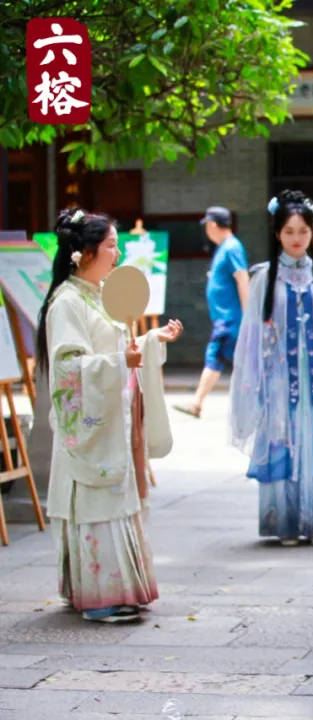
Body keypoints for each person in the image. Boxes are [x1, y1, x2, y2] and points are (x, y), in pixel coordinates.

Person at [40, 209, 184, 623]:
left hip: (113, 423)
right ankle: (99, 595)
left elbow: (117, 349)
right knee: (96, 504)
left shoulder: (95, 297)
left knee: (113, 503)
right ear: (82, 253)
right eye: (110, 245)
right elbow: (69, 369)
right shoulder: (66, 302)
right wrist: (122, 359)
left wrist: (151, 341)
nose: (117, 252)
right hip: (93, 428)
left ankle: (112, 590)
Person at [228, 190, 313, 546]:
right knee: (284, 440)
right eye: (289, 231)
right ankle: (288, 522)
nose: (296, 239)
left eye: (303, 232)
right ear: (278, 233)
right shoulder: (263, 277)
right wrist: (255, 378)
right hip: (279, 380)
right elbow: (251, 335)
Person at [175, 206, 249, 419]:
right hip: (227, 318)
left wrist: (247, 315)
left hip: (231, 319)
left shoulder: (232, 247)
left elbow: (242, 278)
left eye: (207, 225)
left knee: (215, 357)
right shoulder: (225, 247)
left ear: (214, 225)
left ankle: (197, 403)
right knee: (239, 363)